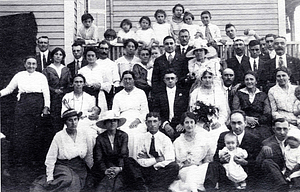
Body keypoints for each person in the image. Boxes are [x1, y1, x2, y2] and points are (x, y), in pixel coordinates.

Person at [0, 56, 50, 166]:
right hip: (23, 105)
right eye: (29, 63)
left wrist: (46, 107)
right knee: (22, 133)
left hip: (37, 104)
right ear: (25, 64)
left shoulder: (41, 76)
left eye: (33, 64)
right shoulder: (19, 75)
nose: (31, 66)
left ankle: (35, 160)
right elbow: (9, 89)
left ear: (36, 65)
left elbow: (46, 93)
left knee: (35, 132)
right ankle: (22, 160)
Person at [31, 109, 93, 192]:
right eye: (70, 120)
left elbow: (89, 155)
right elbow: (51, 157)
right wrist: (49, 176)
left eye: (75, 119)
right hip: (63, 166)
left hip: (79, 168)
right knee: (68, 179)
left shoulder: (84, 134)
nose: (73, 123)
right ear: (65, 122)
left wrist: (92, 171)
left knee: (74, 183)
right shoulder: (59, 136)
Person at [204, 110, 261, 191]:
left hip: (244, 176)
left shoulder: (254, 138)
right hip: (227, 172)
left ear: (245, 122)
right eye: (233, 123)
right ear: (230, 123)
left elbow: (258, 163)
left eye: (239, 123)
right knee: (213, 165)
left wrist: (245, 162)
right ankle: (209, 190)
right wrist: (222, 160)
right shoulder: (224, 136)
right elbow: (216, 158)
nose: (236, 126)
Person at [123, 112, 179, 191]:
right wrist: (157, 159)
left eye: (155, 121)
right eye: (149, 122)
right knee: (128, 161)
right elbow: (140, 160)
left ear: (159, 123)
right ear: (146, 123)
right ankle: (145, 186)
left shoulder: (165, 139)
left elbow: (170, 159)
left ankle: (150, 187)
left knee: (174, 167)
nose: (152, 124)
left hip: (159, 171)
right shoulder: (142, 138)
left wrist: (151, 162)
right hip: (145, 170)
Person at [169, 112, 213, 192]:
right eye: (186, 122)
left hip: (200, 169)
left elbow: (208, 156)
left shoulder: (202, 139)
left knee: (204, 168)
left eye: (191, 122)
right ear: (182, 124)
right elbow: (174, 162)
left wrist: (201, 164)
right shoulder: (178, 142)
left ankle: (192, 188)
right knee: (191, 171)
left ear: (195, 124)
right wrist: (184, 164)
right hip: (184, 170)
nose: (189, 125)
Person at [189, 68, 229, 153]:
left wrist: (219, 123)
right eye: (205, 77)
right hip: (200, 125)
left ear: (213, 78)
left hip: (216, 123)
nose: (207, 80)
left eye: (209, 77)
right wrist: (201, 124)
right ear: (201, 79)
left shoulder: (219, 92)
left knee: (219, 137)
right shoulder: (195, 93)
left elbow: (224, 113)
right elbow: (192, 112)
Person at [112, 71, 149, 158]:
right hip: (123, 120)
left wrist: (137, 120)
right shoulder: (118, 95)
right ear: (122, 81)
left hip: (138, 119)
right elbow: (115, 112)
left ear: (134, 80)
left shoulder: (141, 93)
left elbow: (145, 111)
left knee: (136, 134)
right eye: (125, 79)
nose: (127, 81)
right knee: (125, 134)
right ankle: (125, 162)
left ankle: (137, 160)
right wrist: (120, 123)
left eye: (130, 79)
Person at [91, 110, 128, 191]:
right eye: (109, 121)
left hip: (120, 166)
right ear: (105, 124)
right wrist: (105, 170)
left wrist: (119, 168)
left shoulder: (123, 136)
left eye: (114, 120)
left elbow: (123, 154)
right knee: (102, 186)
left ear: (117, 122)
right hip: (105, 167)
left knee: (119, 185)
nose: (112, 123)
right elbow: (98, 157)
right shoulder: (100, 138)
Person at [232, 71, 272, 141]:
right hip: (243, 124)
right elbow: (235, 110)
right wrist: (246, 119)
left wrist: (257, 121)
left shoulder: (263, 95)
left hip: (260, 124)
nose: (249, 81)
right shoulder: (239, 94)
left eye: (251, 79)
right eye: (247, 79)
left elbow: (267, 113)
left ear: (256, 81)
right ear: (244, 81)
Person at [153, 69, 189, 141]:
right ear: (164, 80)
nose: (170, 81)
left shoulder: (183, 92)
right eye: (167, 79)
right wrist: (165, 124)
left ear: (176, 79)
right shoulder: (159, 94)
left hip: (180, 125)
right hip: (164, 125)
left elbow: (186, 109)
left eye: (172, 78)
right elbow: (156, 111)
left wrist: (182, 123)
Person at [256, 118, 290, 191]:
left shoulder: (294, 140)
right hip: (276, 173)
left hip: (292, 171)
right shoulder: (266, 143)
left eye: (285, 129)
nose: (282, 132)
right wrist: (262, 152)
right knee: (266, 162)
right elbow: (258, 164)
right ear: (273, 129)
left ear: (289, 128)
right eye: (279, 129)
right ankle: (283, 185)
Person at [43, 47, 72, 132]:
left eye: (60, 55)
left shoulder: (66, 69)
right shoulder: (47, 69)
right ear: (52, 56)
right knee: (53, 120)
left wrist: (64, 90)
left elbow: (69, 84)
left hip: (63, 98)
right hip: (52, 98)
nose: (58, 56)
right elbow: (44, 85)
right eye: (56, 54)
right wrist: (54, 90)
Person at [78, 47, 108, 112]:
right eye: (88, 56)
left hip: (100, 95)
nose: (90, 57)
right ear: (85, 57)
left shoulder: (103, 69)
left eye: (92, 55)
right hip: (86, 95)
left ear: (96, 57)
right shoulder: (82, 71)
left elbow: (108, 84)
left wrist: (100, 86)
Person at [96, 40, 120, 109]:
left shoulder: (113, 64)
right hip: (97, 92)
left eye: (106, 49)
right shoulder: (94, 64)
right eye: (102, 48)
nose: (104, 51)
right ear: (98, 49)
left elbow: (116, 81)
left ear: (109, 50)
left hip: (109, 93)